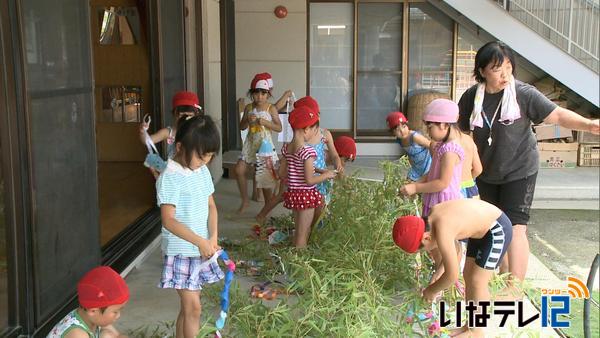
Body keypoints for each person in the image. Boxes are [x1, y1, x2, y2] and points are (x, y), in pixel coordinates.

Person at [457, 41, 599, 291]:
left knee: (516, 226)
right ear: (482, 72)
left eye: (508, 67)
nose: (504, 74)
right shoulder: (471, 97)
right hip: (485, 172)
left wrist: (588, 125)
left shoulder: (523, 93)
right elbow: (460, 131)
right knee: (490, 225)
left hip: (519, 170)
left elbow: (556, 115)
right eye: (497, 69)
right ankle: (497, 273)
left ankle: (514, 288)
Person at [393, 199, 513, 338]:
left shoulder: (443, 228)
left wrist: (431, 291)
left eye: (424, 250)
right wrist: (439, 272)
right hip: (480, 231)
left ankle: (477, 332)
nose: (429, 252)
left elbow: (452, 275)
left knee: (478, 281)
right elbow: (454, 250)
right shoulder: (434, 217)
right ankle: (470, 326)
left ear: (426, 238)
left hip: (497, 230)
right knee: (468, 275)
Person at [156, 115, 224, 338]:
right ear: (180, 147)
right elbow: (169, 220)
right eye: (202, 156)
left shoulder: (200, 171)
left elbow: (211, 207)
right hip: (180, 252)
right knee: (194, 307)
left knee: (188, 309)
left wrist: (212, 237)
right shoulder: (170, 177)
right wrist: (200, 241)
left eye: (210, 156)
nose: (206, 161)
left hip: (200, 248)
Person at [280, 105, 336, 248]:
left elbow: (282, 173)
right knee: (303, 234)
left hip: (294, 194)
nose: (316, 132)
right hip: (306, 196)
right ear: (306, 129)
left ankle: (293, 259)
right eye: (315, 129)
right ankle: (301, 265)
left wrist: (316, 169)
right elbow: (310, 180)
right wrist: (327, 174)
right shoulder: (307, 151)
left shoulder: (287, 148)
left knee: (297, 231)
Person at [234, 73, 283, 213]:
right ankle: (245, 200)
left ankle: (267, 207)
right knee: (239, 170)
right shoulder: (249, 108)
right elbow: (241, 127)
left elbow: (279, 128)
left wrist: (266, 122)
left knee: (265, 180)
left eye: (263, 93)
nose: (260, 97)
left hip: (264, 146)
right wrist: (247, 120)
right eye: (256, 93)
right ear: (251, 94)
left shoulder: (271, 108)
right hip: (250, 144)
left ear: (268, 94)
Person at [48, 266, 129, 338]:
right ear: (93, 311)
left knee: (108, 335)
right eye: (115, 311)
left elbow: (118, 336)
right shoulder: (78, 334)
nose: (118, 315)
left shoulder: (95, 318)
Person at [139, 91, 203, 178]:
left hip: (193, 170)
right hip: (173, 171)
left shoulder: (198, 130)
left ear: (196, 116)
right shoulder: (169, 132)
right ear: (174, 115)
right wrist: (143, 132)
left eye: (189, 116)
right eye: (181, 116)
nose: (185, 120)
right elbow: (148, 141)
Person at [386, 111, 432, 182]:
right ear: (393, 133)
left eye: (404, 127)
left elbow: (431, 145)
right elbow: (409, 153)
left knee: (424, 187)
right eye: (397, 129)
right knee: (406, 187)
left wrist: (437, 163)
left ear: (407, 125)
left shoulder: (414, 137)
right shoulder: (400, 140)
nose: (402, 131)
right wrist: (411, 165)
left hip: (428, 165)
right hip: (416, 167)